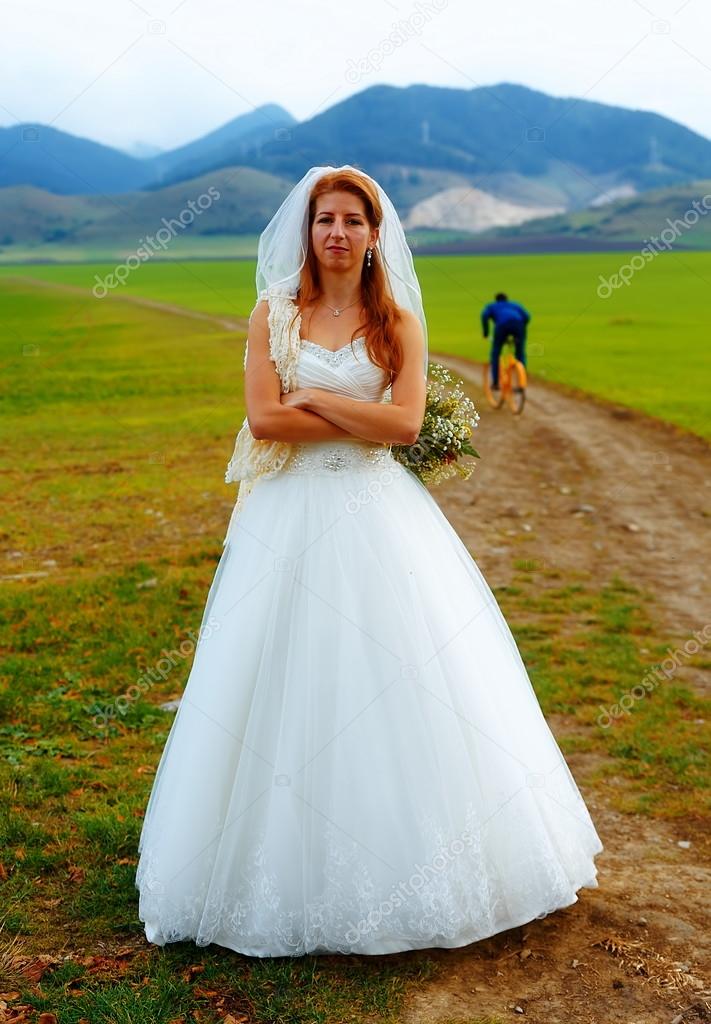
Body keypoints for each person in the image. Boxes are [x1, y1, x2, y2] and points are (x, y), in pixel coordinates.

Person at [135, 165, 602, 958]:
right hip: (286, 517)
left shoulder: (399, 323)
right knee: (276, 674)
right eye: (325, 220)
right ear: (307, 231)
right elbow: (262, 419)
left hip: (379, 516)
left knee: (405, 674)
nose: (338, 233)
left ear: (374, 234)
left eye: (353, 220)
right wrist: (349, 411)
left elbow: (405, 424)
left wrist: (312, 398)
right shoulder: (272, 313)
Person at [481, 292, 531, 389]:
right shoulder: (515, 305)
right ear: (506, 299)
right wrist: (521, 328)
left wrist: (486, 333)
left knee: (496, 353)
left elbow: (484, 316)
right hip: (518, 326)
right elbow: (527, 316)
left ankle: (495, 383)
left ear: (496, 299)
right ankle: (522, 380)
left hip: (502, 327)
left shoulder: (492, 306)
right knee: (520, 352)